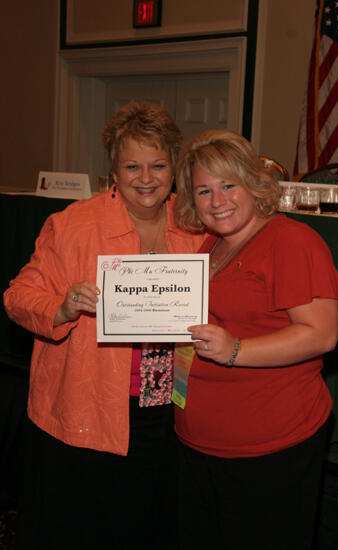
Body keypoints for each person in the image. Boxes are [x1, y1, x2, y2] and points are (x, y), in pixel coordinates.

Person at [3, 101, 205, 550]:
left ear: (175, 165)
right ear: (113, 169)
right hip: (88, 410)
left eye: (157, 164)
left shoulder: (195, 224)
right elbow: (17, 296)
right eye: (132, 166)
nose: (146, 178)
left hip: (169, 409)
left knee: (149, 526)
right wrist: (62, 306)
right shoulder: (73, 225)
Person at [173, 129, 338, 550]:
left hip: (268, 450)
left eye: (228, 185)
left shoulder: (291, 241)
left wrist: (236, 350)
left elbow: (322, 334)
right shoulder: (211, 247)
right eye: (203, 190)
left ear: (253, 184)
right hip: (199, 445)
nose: (218, 201)